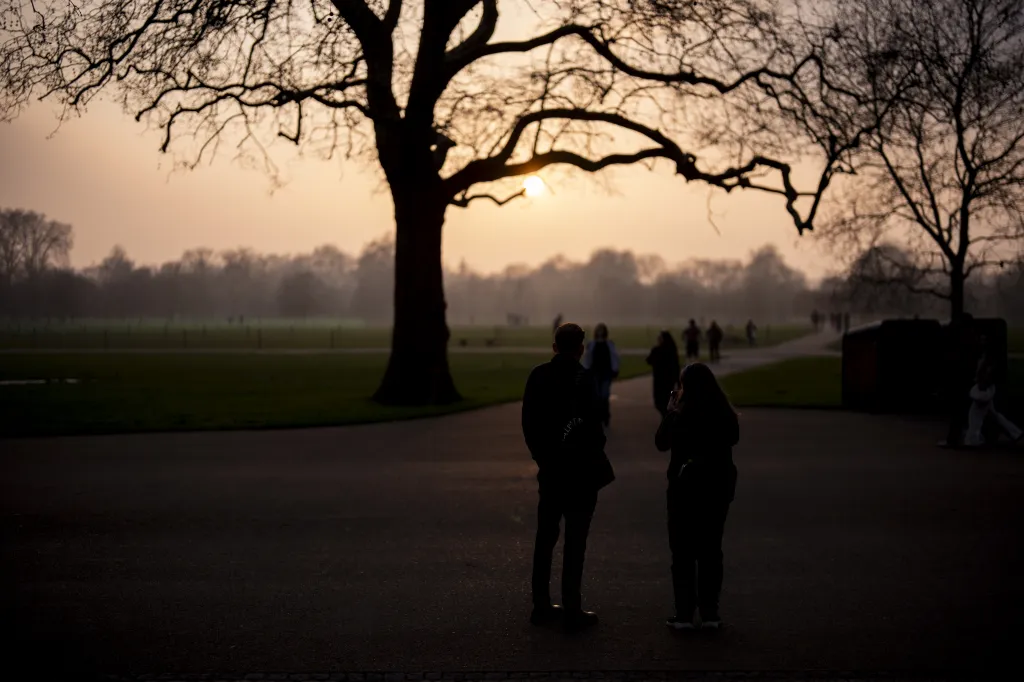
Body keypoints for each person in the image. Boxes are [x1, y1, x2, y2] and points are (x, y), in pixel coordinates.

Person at [522, 323, 616, 632]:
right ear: (581, 348)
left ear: (554, 346)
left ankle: (540, 604)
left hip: (551, 469)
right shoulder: (584, 379)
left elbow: (529, 423)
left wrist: (542, 457)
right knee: (576, 542)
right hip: (580, 472)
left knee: (545, 538)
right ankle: (572, 607)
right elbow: (592, 425)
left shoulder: (538, 376)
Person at [656, 363, 739, 631]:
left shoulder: (681, 415)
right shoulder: (724, 413)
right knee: (710, 550)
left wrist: (670, 412)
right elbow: (733, 438)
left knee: (682, 552)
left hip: (685, 487)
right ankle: (710, 613)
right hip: (716, 486)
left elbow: (661, 443)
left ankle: (683, 614)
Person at [582, 323, 620, 427]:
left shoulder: (609, 344)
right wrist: (585, 370)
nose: (599, 332)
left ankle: (606, 416)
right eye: (598, 330)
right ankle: (598, 417)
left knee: (604, 395)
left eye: (601, 330)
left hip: (606, 373)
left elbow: (614, 357)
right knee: (597, 396)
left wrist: (615, 369)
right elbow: (587, 358)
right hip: (595, 373)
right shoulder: (592, 344)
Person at [646, 330, 681, 417]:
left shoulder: (657, 350)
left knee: (659, 401)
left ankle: (666, 417)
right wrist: (678, 381)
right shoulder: (672, 350)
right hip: (669, 380)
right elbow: (676, 366)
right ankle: (667, 416)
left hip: (659, 380)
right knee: (667, 400)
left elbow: (648, 360)